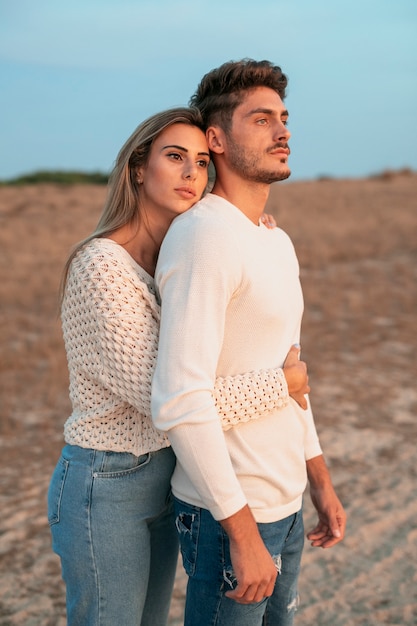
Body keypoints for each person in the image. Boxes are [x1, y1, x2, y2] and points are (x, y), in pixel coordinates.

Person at [47, 106, 311, 626]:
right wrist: (281, 385)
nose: (193, 173)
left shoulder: (174, 255)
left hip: (167, 473)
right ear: (139, 168)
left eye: (201, 162)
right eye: (174, 157)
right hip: (107, 480)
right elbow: (170, 400)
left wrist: (250, 237)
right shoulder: (101, 266)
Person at [151, 60, 347, 625]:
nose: (282, 131)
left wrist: (320, 482)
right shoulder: (204, 237)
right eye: (261, 119)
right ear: (216, 139)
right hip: (230, 514)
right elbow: (179, 398)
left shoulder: (274, 240)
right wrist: (239, 530)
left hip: (283, 504)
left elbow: (292, 376)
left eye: (283, 118)